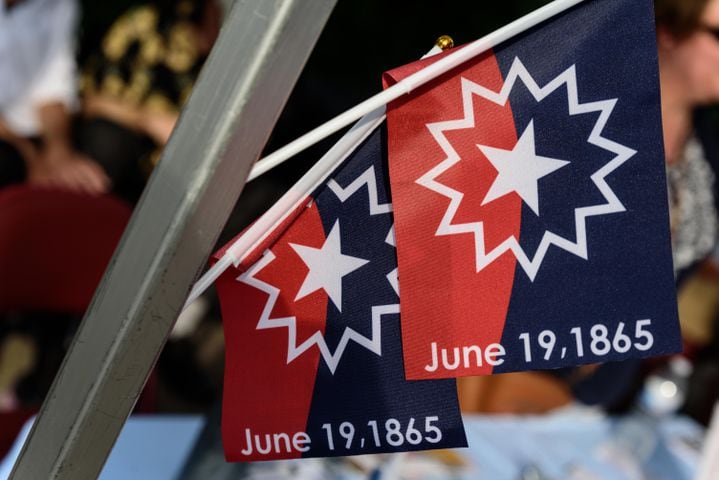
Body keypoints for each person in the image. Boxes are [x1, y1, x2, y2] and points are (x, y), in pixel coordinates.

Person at [0, 0, 110, 195]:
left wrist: (58, 151)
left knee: (103, 150)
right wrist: (30, 157)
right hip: (10, 144)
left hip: (37, 133)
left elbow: (52, 90)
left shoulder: (60, 5)